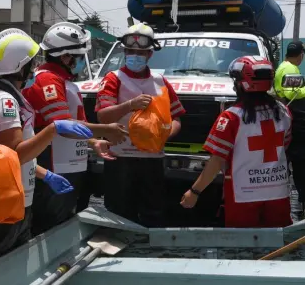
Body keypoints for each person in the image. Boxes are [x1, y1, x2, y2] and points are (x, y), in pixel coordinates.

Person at [0, 28, 94, 266]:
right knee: (0, 267)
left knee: (16, 265)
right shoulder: (4, 100)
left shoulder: (8, 96)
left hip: (15, 200)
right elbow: (15, 154)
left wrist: (45, 174)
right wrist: (52, 130)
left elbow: (11, 154)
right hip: (4, 203)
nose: (36, 66)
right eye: (32, 62)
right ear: (20, 66)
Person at [22, 22, 128, 236]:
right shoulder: (47, 80)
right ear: (66, 57)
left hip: (69, 164)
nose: (81, 62)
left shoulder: (65, 81)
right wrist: (105, 129)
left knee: (65, 221)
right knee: (50, 226)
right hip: (54, 166)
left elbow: (73, 127)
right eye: (79, 57)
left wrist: (93, 142)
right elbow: (64, 127)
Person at [181, 56, 292, 228]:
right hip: (278, 193)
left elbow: (217, 161)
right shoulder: (284, 111)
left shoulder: (231, 117)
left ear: (243, 84)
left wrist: (195, 191)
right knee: (278, 243)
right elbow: (285, 146)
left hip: (243, 196)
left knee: (243, 247)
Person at [96, 23, 185, 227]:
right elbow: (103, 117)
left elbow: (177, 118)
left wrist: (164, 134)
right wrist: (130, 105)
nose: (135, 55)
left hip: (152, 160)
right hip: (121, 158)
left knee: (153, 212)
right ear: (125, 52)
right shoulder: (113, 79)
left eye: (140, 52)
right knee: (119, 213)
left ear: (149, 55)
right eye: (130, 51)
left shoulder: (160, 81)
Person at [274, 41, 305, 218]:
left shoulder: (283, 67)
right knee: (299, 165)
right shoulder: (291, 69)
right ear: (300, 55)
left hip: (286, 118)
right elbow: (291, 92)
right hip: (295, 120)